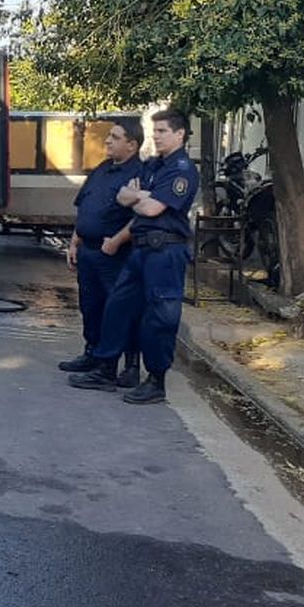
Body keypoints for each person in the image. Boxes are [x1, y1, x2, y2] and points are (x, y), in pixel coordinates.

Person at [70, 108, 197, 405]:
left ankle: (155, 380)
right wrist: (143, 196)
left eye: (163, 131)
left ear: (179, 134)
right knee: (117, 307)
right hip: (141, 249)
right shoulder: (153, 166)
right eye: (155, 131)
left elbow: (151, 209)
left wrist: (141, 197)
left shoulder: (182, 169)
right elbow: (123, 197)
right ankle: (105, 369)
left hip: (165, 251)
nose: (157, 136)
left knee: (159, 317)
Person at [57, 118, 144, 386]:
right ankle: (93, 354)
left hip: (116, 254)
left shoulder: (138, 174)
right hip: (89, 251)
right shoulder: (102, 170)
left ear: (132, 144)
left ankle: (127, 366)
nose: (107, 141)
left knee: (119, 310)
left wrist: (117, 240)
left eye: (115, 137)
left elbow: (141, 216)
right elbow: (85, 207)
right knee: (91, 306)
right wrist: (74, 242)